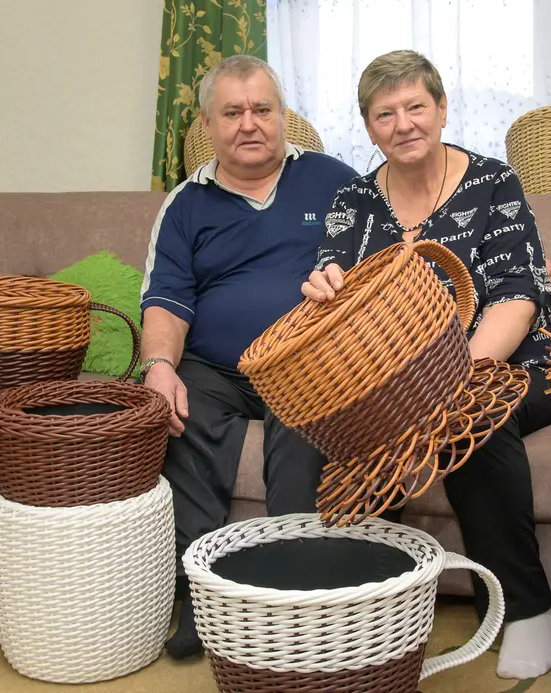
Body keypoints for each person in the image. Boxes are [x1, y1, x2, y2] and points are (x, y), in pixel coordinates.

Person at [302, 50, 551, 680]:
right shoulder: (353, 200)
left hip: (514, 362)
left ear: (442, 110)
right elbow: (332, 298)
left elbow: (515, 299)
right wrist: (322, 291)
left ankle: (526, 609)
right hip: (398, 382)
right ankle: (369, 608)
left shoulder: (494, 182)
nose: (403, 124)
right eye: (384, 114)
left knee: (474, 422)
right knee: (357, 435)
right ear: (369, 128)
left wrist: (448, 386)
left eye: (416, 106)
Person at [139, 54, 359, 659]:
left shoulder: (335, 182)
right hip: (215, 368)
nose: (249, 123)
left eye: (262, 109)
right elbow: (166, 299)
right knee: (178, 412)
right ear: (207, 125)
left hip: (304, 362)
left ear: (284, 115)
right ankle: (203, 600)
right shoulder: (185, 204)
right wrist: (159, 368)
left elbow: (382, 263)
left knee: (303, 419)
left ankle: (292, 591)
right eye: (232, 112)